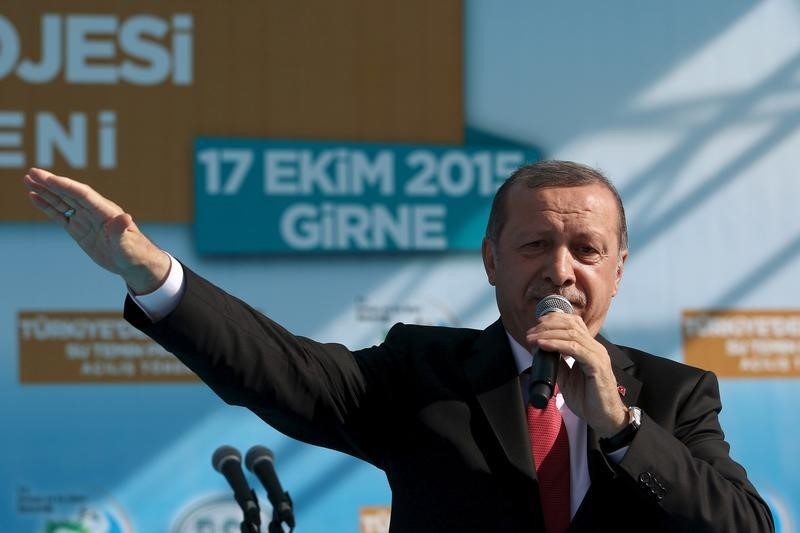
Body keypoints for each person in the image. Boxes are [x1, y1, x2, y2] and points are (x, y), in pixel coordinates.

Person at [24, 161, 773, 532]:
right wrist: (154, 274)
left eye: (586, 247)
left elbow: (746, 525)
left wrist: (621, 429)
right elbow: (284, 369)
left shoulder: (675, 394)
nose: (560, 268)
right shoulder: (423, 369)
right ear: (491, 261)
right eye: (536, 244)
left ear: (617, 269)